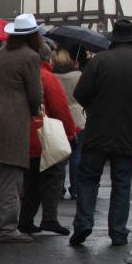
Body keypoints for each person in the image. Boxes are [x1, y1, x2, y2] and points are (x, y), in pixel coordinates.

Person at [71, 19, 132, 246]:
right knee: (122, 184)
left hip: (97, 131)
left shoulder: (98, 61)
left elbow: (80, 94)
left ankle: (83, 223)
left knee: (88, 179)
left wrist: (94, 106)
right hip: (127, 133)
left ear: (113, 39)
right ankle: (118, 232)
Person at [0, 14, 44, 244]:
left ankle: (2, 226)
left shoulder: (2, 53)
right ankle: (6, 229)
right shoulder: (30, 56)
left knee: (2, 177)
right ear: (33, 35)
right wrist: (36, 109)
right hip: (11, 123)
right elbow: (35, 94)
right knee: (10, 179)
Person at [19, 44, 77, 236]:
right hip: (45, 136)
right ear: (47, 58)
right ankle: (49, 219)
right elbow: (61, 109)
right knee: (53, 177)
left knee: (31, 181)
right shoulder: (48, 77)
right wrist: (70, 133)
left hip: (24, 135)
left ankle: (25, 220)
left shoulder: (22, 75)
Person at [51, 48, 85, 200]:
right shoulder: (78, 75)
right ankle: (76, 189)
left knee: (60, 156)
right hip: (78, 119)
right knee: (77, 155)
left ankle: (59, 189)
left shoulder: (51, 76)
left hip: (58, 119)